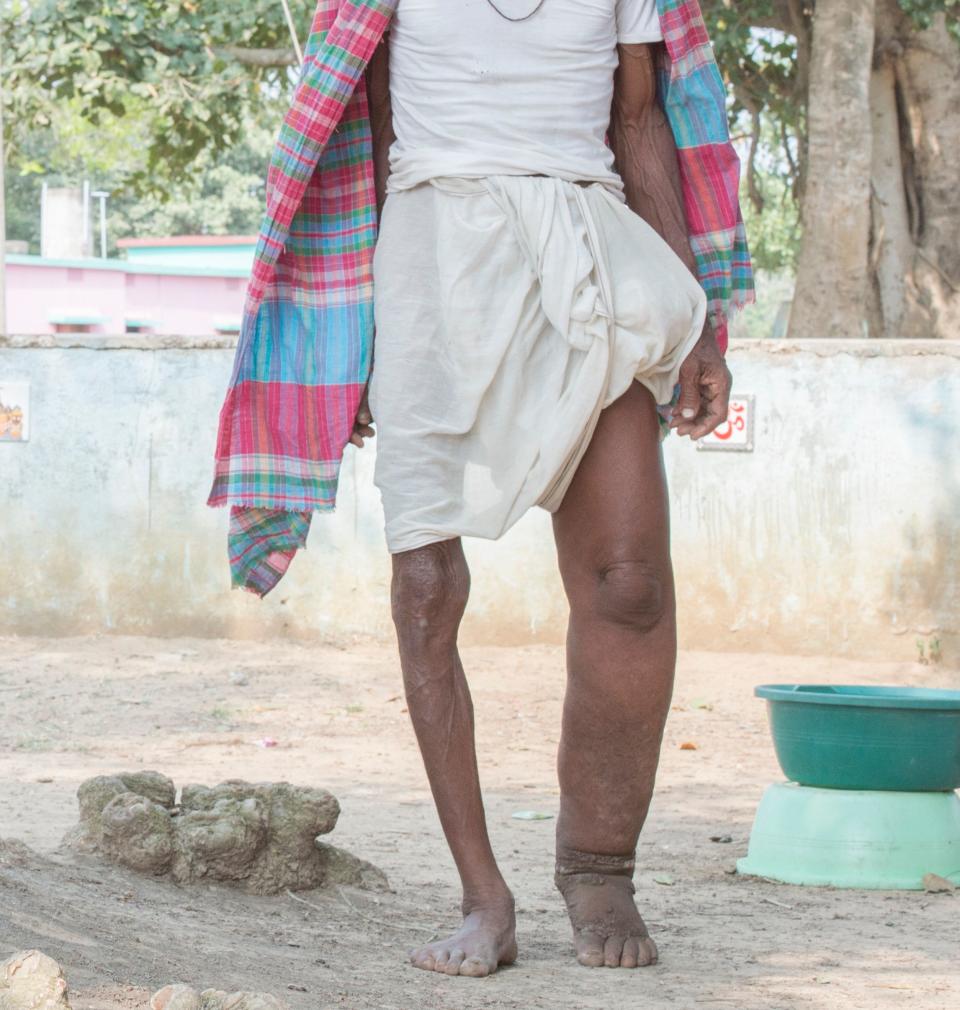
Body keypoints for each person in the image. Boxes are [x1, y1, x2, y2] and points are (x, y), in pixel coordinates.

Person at [209, 0, 752, 978]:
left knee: (631, 583)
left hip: (590, 250)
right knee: (427, 592)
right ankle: (482, 895)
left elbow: (641, 122)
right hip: (433, 260)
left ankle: (598, 865)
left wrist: (700, 319)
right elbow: (363, 135)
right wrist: (355, 338)